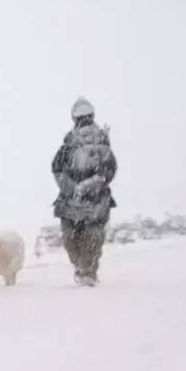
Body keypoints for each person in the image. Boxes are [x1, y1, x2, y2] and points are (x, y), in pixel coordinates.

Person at [51, 97, 117, 286]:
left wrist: (91, 184)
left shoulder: (103, 145)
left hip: (95, 200)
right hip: (71, 201)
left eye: (87, 117)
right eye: (81, 118)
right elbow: (57, 168)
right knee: (72, 239)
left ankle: (88, 271)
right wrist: (72, 188)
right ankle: (82, 268)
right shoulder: (68, 145)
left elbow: (109, 169)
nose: (85, 122)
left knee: (92, 237)